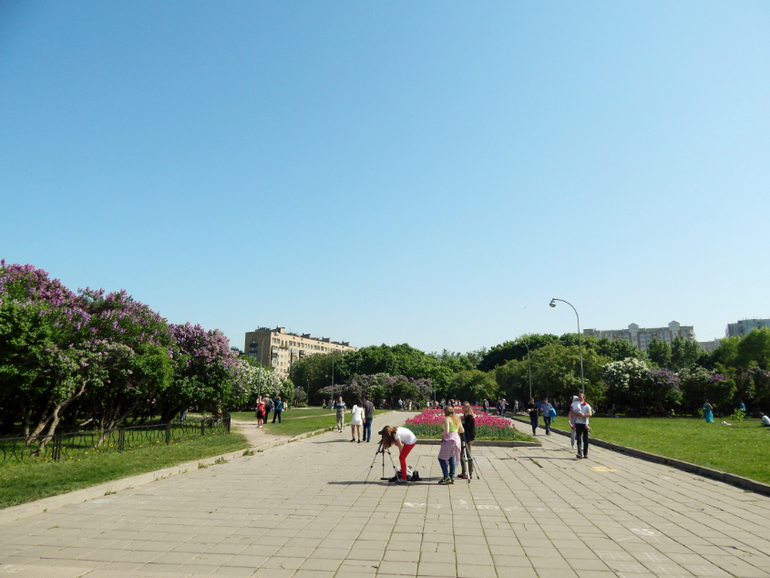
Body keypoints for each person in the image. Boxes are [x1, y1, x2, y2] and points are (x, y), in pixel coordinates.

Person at [437, 405, 464, 484]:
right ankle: (452, 477)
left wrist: (441, 434)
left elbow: (446, 432)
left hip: (449, 440)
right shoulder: (457, 419)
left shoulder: (447, 419)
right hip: (456, 440)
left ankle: (446, 476)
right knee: (451, 458)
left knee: (441, 458)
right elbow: (462, 430)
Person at [458, 402, 475, 480]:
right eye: (462, 408)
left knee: (468, 455)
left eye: (464, 408)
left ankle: (470, 472)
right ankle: (464, 471)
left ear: (467, 408)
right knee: (461, 455)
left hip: (468, 438)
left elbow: (467, 427)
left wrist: (461, 422)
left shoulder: (470, 417)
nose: (462, 409)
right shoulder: (465, 416)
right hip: (463, 437)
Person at [574, 393, 593, 459]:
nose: (580, 398)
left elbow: (590, 414)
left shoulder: (587, 405)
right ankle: (579, 453)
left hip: (585, 424)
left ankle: (585, 453)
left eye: (581, 397)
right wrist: (576, 415)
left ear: (584, 398)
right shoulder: (576, 405)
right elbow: (572, 412)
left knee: (586, 439)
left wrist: (582, 416)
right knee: (578, 439)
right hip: (578, 423)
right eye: (579, 397)